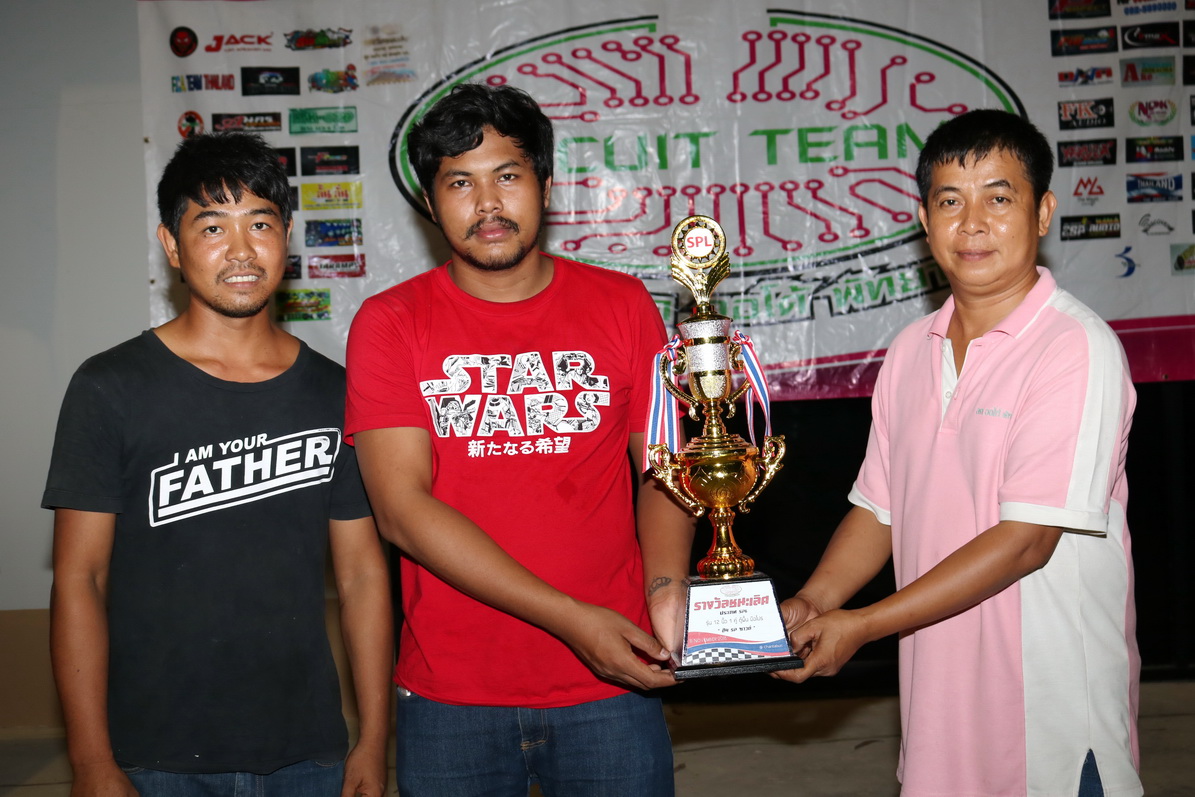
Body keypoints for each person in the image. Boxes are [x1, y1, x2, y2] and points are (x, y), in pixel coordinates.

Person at [776, 109, 1141, 797]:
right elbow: (879, 510)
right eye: (949, 201)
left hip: (1051, 724)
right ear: (923, 219)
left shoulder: (1073, 347)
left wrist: (862, 625)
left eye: (998, 198)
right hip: (938, 710)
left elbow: (1026, 541)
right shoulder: (909, 351)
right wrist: (813, 603)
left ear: (1041, 213)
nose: (971, 223)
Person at [344, 82, 695, 796]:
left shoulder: (624, 305)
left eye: (507, 175)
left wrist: (665, 588)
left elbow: (664, 469)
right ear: (430, 203)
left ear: (545, 186)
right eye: (459, 183)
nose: (487, 203)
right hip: (452, 694)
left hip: (614, 681)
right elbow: (402, 511)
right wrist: (572, 621)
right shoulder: (390, 323)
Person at [43, 132, 392, 797]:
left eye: (260, 223)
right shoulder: (109, 387)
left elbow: (361, 576)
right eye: (212, 227)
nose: (240, 250)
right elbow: (80, 579)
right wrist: (90, 763)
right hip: (152, 757)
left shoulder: (335, 392)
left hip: (306, 755)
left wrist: (374, 739)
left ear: (286, 238)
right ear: (171, 246)